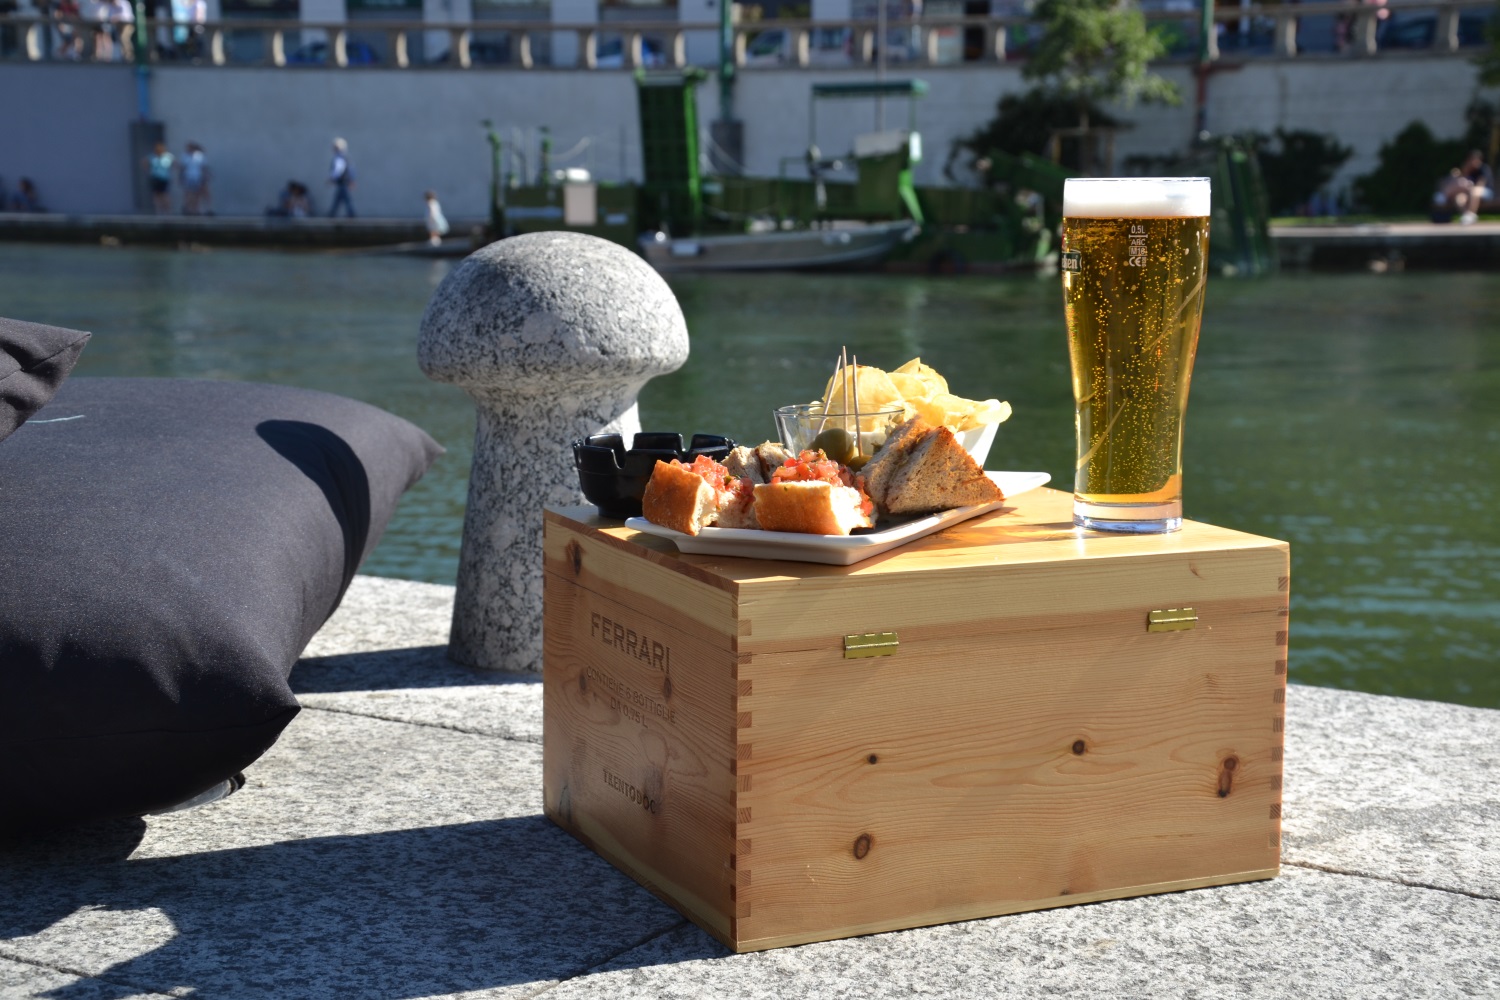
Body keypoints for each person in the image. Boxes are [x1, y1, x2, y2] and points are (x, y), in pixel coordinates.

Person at [1434, 150, 1496, 225]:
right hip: (1469, 192)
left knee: (1474, 191)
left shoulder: (1483, 169)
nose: (1473, 161)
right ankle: (1467, 216)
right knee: (1459, 198)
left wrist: (1469, 187)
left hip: (1486, 193)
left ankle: (1471, 213)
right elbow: (1462, 178)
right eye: (1471, 159)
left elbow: (1480, 185)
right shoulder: (1468, 169)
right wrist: (1466, 169)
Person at [179, 141, 210, 215]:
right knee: (189, 193)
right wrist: (181, 177)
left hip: (198, 177)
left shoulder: (199, 155)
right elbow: (183, 167)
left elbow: (203, 167)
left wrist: (205, 176)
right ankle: (188, 208)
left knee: (197, 194)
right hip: (188, 177)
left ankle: (196, 210)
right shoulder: (185, 156)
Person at [327, 138, 355, 218]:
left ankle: (349, 214)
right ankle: (333, 213)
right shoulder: (345, 157)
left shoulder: (339, 157)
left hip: (342, 181)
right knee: (340, 198)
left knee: (343, 198)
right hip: (344, 181)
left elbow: (338, 169)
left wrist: (332, 178)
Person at [146, 141, 174, 214]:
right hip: (155, 178)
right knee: (156, 195)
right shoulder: (152, 157)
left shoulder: (167, 157)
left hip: (163, 178)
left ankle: (167, 211)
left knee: (164, 194)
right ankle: (158, 211)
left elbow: (173, 164)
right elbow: (145, 163)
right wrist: (149, 171)